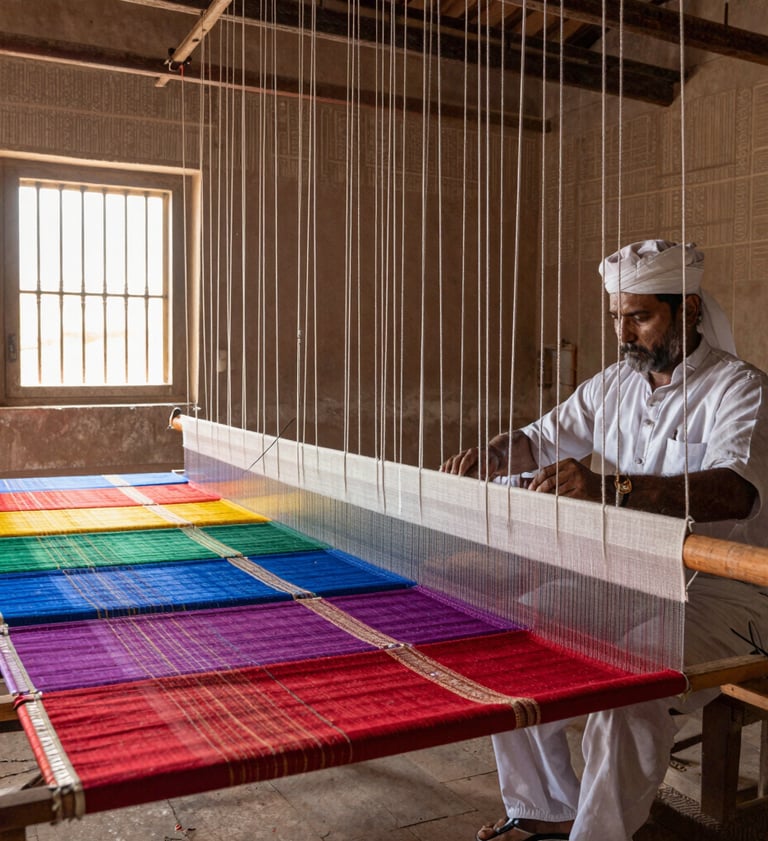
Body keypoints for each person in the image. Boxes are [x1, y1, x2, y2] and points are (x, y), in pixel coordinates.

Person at [441, 239, 768, 841]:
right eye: (617, 316)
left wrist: (610, 487)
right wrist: (489, 456)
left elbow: (734, 491)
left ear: (689, 309)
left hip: (724, 594)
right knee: (515, 644)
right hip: (627, 578)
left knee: (627, 685)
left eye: (640, 316)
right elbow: (539, 439)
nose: (624, 332)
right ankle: (548, 807)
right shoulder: (614, 384)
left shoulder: (740, 391)